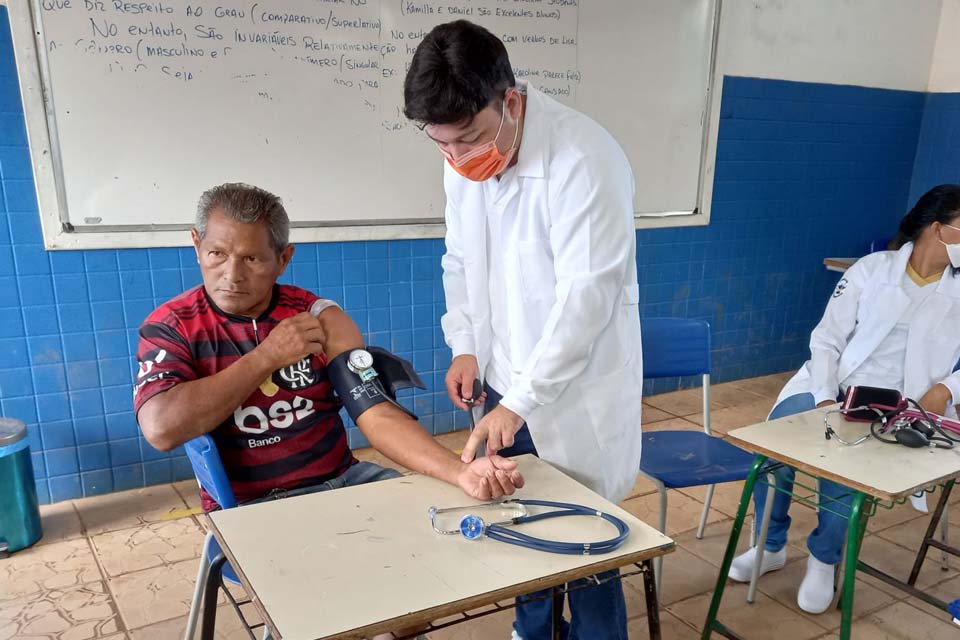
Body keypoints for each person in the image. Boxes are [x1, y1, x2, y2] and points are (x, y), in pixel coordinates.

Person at [403, 20, 643, 640]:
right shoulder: (465, 157)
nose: (457, 160)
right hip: (504, 384)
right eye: (442, 146)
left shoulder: (584, 158)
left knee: (584, 543)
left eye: (469, 139)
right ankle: (531, 634)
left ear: (510, 101)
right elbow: (462, 260)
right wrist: (466, 347)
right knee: (515, 521)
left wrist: (520, 401)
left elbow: (587, 295)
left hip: (573, 391)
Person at [134, 183, 524, 515]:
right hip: (253, 507)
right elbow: (161, 429)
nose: (231, 275)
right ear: (197, 244)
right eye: (217, 254)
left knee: (442, 520)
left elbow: (375, 414)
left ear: (283, 259)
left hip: (344, 480)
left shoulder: (320, 319)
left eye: (251, 258)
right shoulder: (172, 326)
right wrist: (267, 357)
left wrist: (459, 471)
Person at [727, 184, 960, 614]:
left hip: (901, 405)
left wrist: (947, 389)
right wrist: (821, 399)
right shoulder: (872, 270)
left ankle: (823, 559)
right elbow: (827, 340)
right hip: (828, 385)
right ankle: (769, 543)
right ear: (937, 229)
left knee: (844, 467)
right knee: (772, 449)